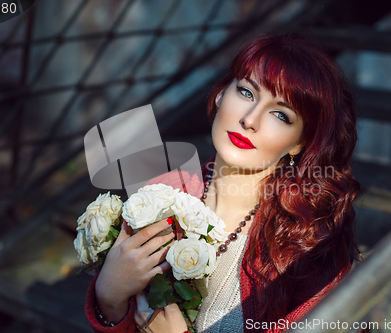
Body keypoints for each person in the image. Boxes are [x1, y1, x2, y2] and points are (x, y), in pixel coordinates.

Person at [85, 33, 362, 333]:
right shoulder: (161, 196)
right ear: (220, 95)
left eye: (281, 115)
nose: (250, 119)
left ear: (299, 144)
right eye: (246, 93)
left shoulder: (307, 246)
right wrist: (109, 298)